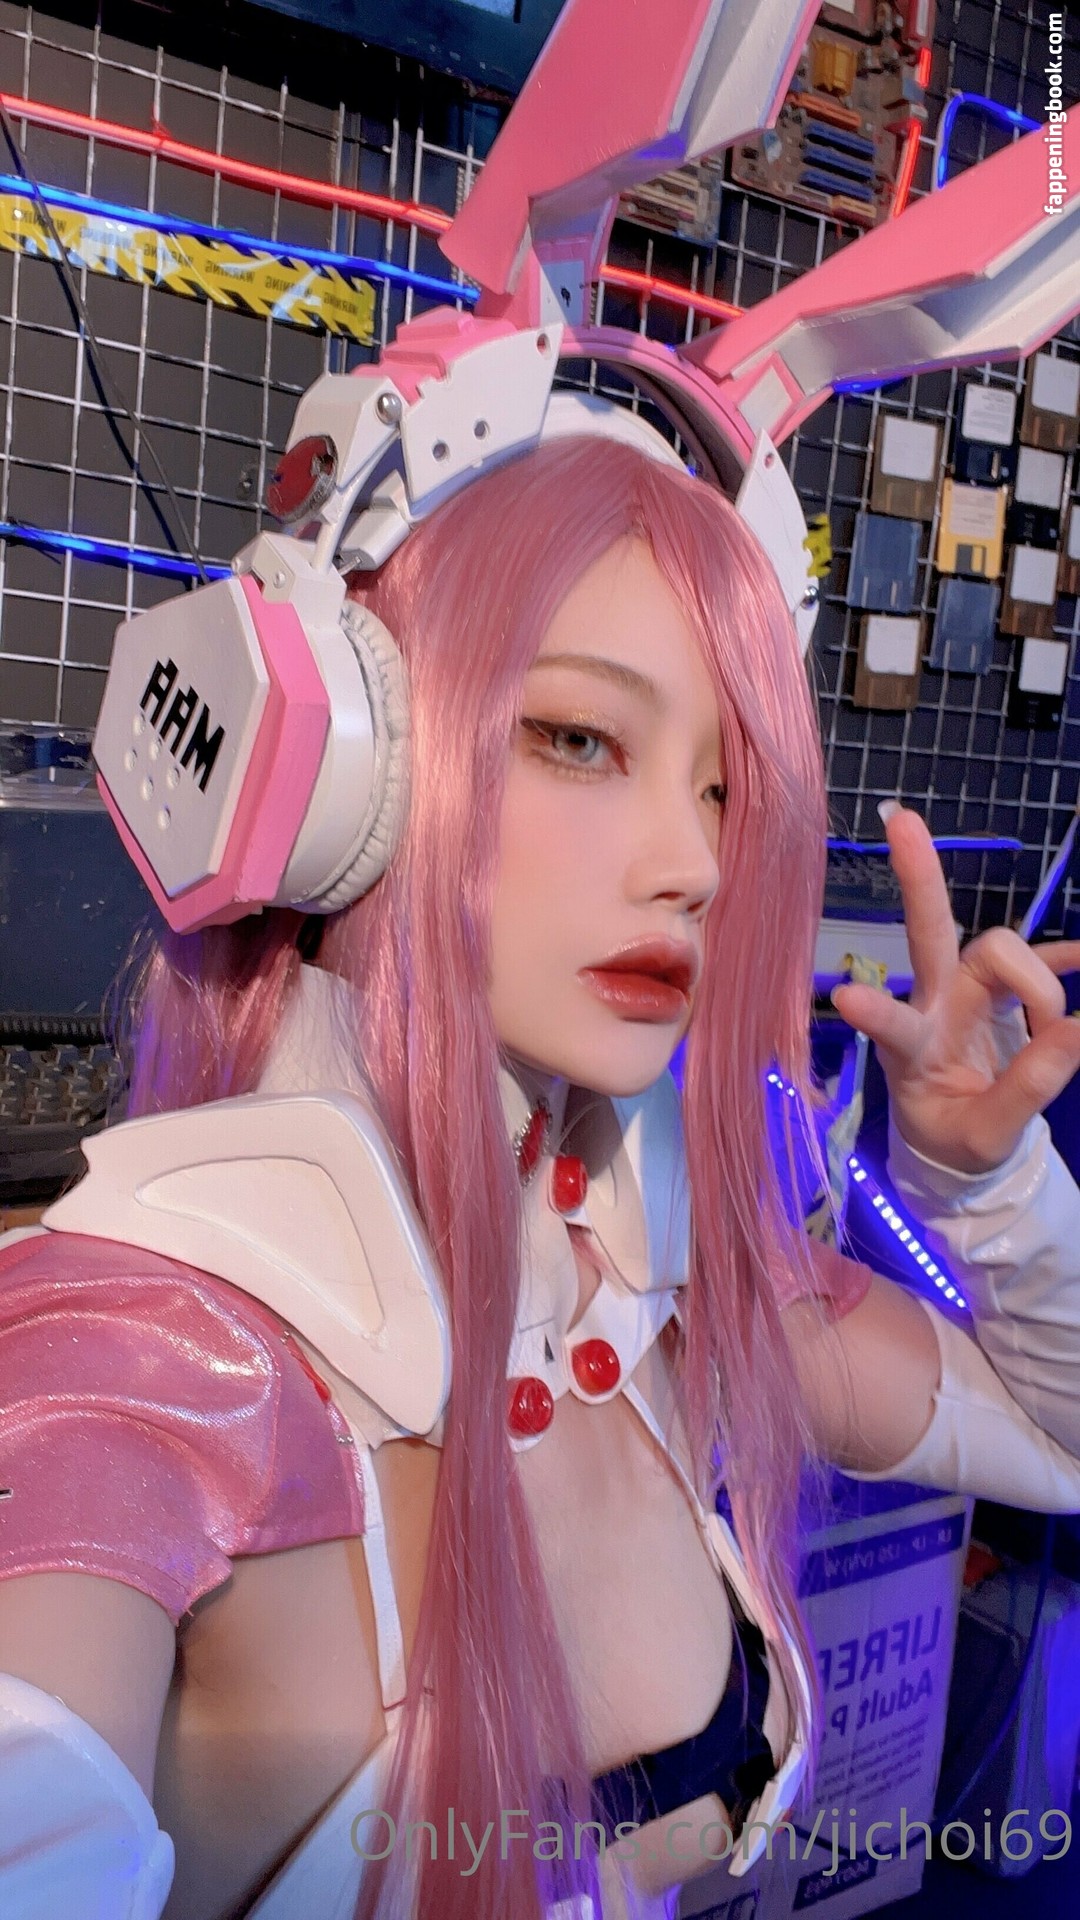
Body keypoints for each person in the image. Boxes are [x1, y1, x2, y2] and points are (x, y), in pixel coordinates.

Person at [3, 433, 1080, 1920]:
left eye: (722, 789)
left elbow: (1059, 1432)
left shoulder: (649, 1284)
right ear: (341, 771)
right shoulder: (147, 1353)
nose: (695, 864)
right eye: (580, 738)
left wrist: (984, 1181)